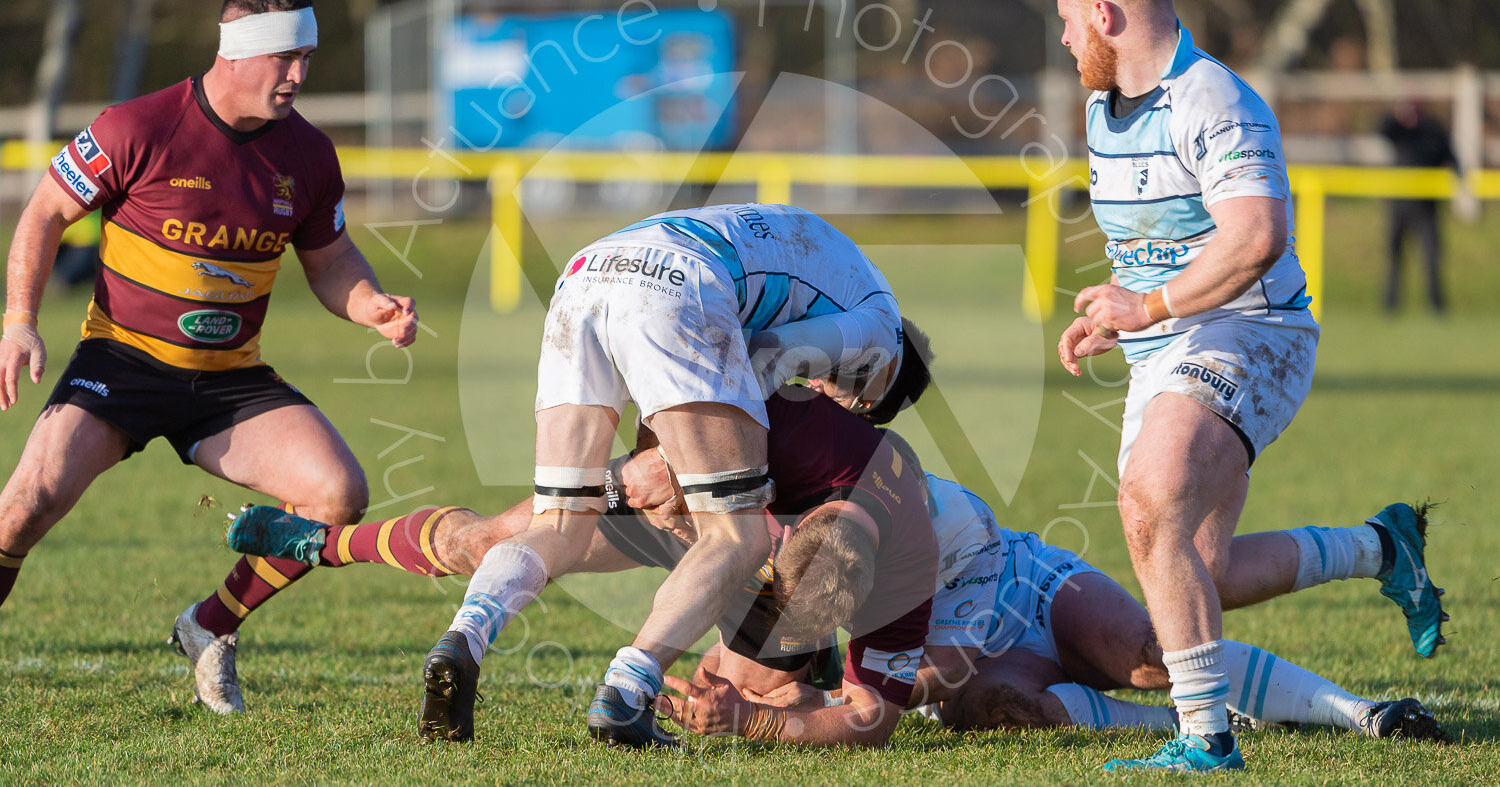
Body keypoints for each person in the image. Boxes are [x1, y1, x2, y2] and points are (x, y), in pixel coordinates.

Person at [1048, 0, 1442, 772]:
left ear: (1105, 16)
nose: (1063, 44)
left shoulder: (1214, 99)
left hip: (1253, 332)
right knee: (1193, 577)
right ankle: (1381, 548)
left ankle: (1206, 742)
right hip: (1170, 346)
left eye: (1066, 25)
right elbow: (1156, 248)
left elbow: (1256, 236)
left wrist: (1146, 307)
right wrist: (1124, 319)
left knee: (1149, 504)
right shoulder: (1102, 106)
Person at [0, 0, 418, 715]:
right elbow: (42, 215)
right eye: (285, 58)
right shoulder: (137, 127)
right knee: (24, 505)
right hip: (121, 363)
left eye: (307, 58)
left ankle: (209, 626)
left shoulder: (311, 156)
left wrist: (371, 306)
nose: (299, 75)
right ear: (237, 52)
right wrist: (19, 320)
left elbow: (332, 263)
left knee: (336, 496)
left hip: (227, 381)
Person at [414, 202, 911, 747]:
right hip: (681, 284)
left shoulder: (848, 270)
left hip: (587, 273)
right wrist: (694, 468)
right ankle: (627, 692)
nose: (829, 397)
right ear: (882, 380)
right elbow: (765, 355)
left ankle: (466, 634)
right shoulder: (882, 333)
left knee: (560, 521)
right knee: (735, 537)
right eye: (851, 400)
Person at [224, 383, 940, 745]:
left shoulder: (907, 565)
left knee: (733, 697)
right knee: (488, 539)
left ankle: (775, 678)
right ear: (806, 519)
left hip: (749, 551)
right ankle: (320, 544)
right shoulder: (811, 436)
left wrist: (750, 719)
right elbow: (693, 374)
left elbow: (873, 719)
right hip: (708, 503)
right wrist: (656, 456)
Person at [666, 457, 1448, 749]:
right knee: (998, 706)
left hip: (1030, 595)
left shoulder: (947, 525)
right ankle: (1205, 720)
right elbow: (737, 665)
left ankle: (1366, 713)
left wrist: (773, 716)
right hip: (980, 668)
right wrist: (746, 691)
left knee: (1146, 655)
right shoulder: (795, 539)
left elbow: (905, 692)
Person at [1379, 101, 1459, 314]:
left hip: (1426, 207)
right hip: (1399, 205)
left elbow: (1451, 157)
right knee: (1394, 257)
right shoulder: (1399, 131)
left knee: (1432, 258)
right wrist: (1397, 117)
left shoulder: (1433, 132)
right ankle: (1390, 306)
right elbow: (1383, 130)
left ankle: (1437, 306)